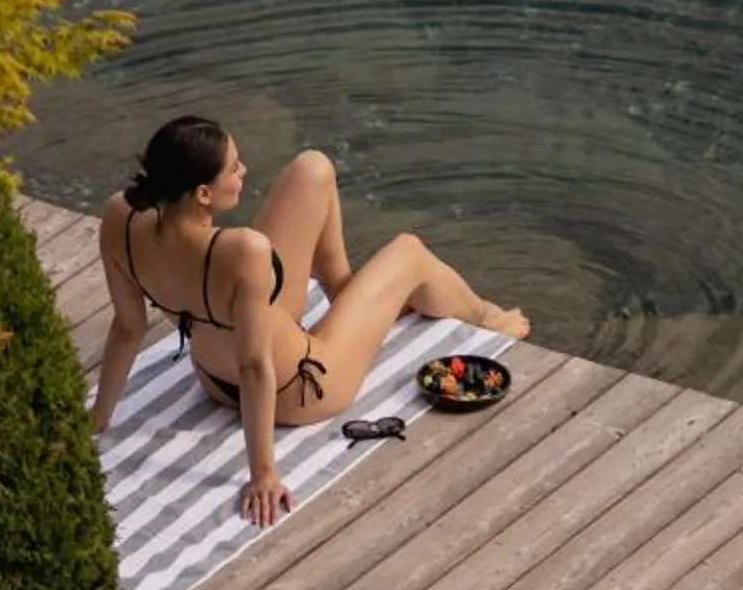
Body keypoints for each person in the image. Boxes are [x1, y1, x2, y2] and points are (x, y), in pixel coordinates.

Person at [89, 117, 529, 528]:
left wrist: (98, 418)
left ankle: (344, 290)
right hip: (299, 389)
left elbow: (128, 328)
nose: (243, 171)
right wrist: (264, 473)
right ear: (204, 193)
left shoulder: (120, 219)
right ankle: (486, 319)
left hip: (213, 379)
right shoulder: (243, 251)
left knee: (313, 169)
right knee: (409, 252)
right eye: (234, 168)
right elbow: (255, 367)